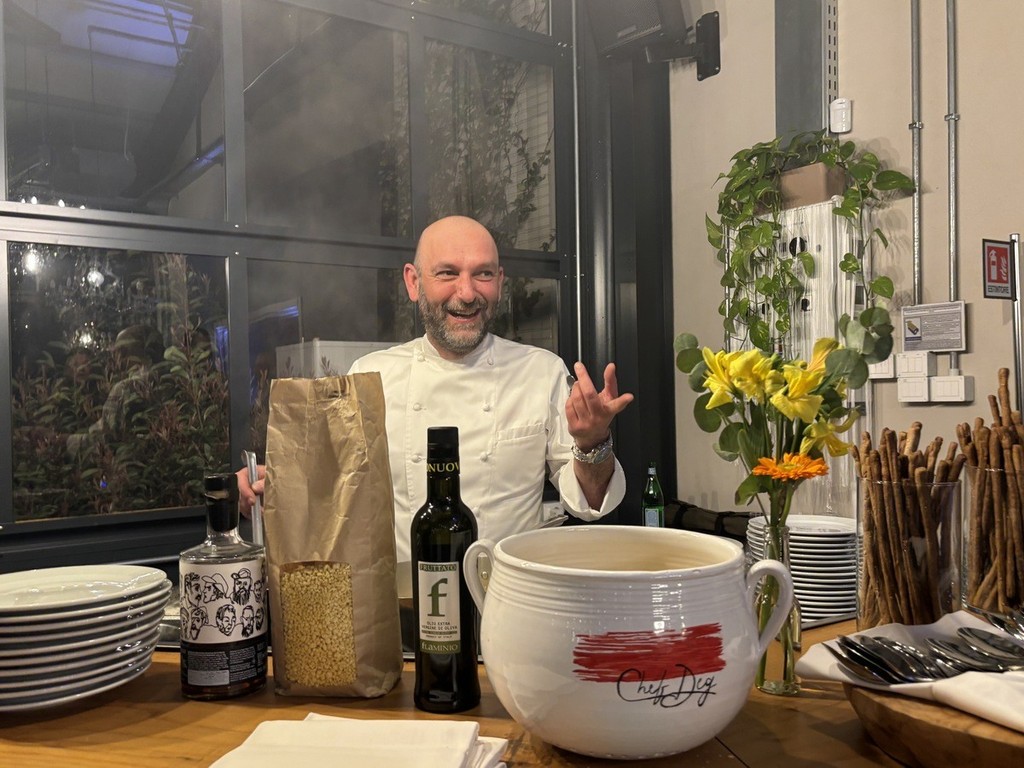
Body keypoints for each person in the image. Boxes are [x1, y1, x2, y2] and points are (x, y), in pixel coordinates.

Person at [238, 215, 633, 562]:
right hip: (402, 604)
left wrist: (593, 444)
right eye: (447, 273)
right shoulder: (371, 376)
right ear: (414, 282)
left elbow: (589, 501)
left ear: (499, 282)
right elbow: (329, 488)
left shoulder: (542, 372)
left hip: (508, 601)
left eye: (482, 274)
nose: (467, 293)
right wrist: (269, 483)